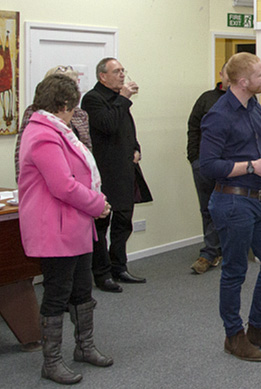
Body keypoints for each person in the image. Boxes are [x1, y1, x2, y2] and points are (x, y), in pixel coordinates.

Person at [200, 52, 261, 362]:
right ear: (243, 82)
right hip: (231, 201)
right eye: (260, 75)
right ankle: (233, 335)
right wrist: (251, 167)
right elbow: (209, 166)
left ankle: (257, 328)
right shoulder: (218, 115)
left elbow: (260, 155)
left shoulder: (255, 107)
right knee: (235, 271)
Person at [18, 74, 114, 384]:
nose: (75, 112)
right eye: (72, 106)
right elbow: (62, 185)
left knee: (82, 289)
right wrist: (97, 204)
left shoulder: (60, 130)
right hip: (55, 228)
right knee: (57, 294)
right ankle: (52, 361)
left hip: (75, 224)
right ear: (61, 105)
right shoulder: (42, 135)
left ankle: (84, 347)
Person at [82, 57, 150, 293]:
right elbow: (108, 125)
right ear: (103, 76)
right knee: (101, 225)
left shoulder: (117, 99)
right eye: (117, 71)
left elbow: (125, 128)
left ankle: (118, 266)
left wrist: (136, 148)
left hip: (125, 170)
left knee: (124, 221)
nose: (122, 75)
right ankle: (101, 274)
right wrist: (124, 98)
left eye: (123, 70)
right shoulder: (93, 99)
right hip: (106, 172)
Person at [14, 65, 92, 182]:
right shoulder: (35, 112)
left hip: (78, 176)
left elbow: (86, 146)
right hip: (47, 177)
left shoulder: (80, 114)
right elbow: (21, 150)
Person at [186, 64, 229, 274]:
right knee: (207, 209)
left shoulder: (245, 101)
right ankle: (212, 251)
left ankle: (211, 252)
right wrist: (193, 157)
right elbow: (193, 128)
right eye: (227, 72)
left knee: (226, 208)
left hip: (230, 167)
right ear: (221, 75)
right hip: (203, 164)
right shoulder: (206, 99)